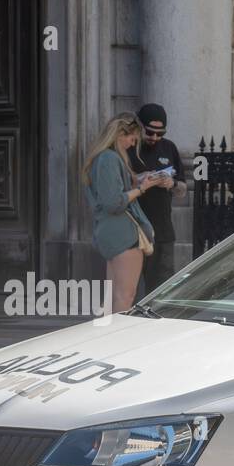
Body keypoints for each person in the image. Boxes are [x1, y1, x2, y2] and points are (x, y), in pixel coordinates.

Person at [84, 112, 161, 313]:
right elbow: (114, 203)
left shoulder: (101, 158)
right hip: (123, 233)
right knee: (125, 297)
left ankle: (102, 341)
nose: (132, 143)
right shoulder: (109, 158)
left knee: (112, 298)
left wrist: (138, 180)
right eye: (131, 138)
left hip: (109, 231)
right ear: (119, 134)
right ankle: (115, 341)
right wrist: (143, 188)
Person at [128, 102, 185, 295]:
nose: (154, 138)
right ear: (140, 126)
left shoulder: (169, 148)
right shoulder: (129, 146)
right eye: (150, 132)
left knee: (163, 286)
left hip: (162, 230)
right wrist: (140, 179)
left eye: (160, 134)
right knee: (131, 286)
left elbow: (183, 187)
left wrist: (172, 184)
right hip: (134, 227)